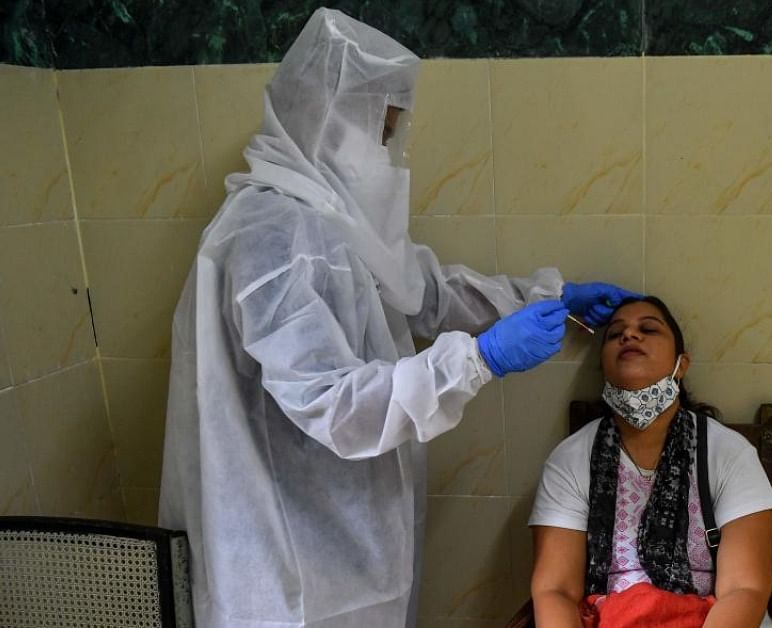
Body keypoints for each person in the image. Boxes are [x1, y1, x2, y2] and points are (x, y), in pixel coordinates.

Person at [157, 9, 636, 628]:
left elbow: (427, 291)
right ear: (327, 120)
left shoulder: (335, 224)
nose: (385, 151)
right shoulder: (266, 240)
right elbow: (332, 403)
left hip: (346, 537)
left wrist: (551, 296)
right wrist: (477, 359)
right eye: (377, 130)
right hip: (282, 563)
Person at [528, 297, 772, 627]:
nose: (629, 336)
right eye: (616, 333)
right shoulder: (570, 459)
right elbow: (555, 589)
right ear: (603, 364)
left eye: (648, 328)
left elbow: (744, 588)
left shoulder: (728, 452)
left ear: (682, 364)